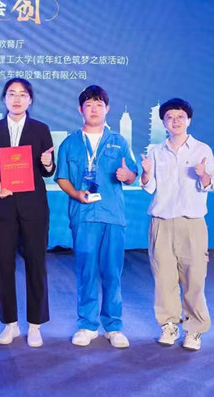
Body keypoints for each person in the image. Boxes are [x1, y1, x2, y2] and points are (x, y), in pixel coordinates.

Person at [55, 85, 137, 348]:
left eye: (99, 104)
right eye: (89, 105)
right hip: (83, 214)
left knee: (112, 272)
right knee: (86, 271)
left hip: (112, 216)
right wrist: (76, 193)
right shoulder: (70, 143)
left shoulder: (119, 142)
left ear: (107, 109)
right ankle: (87, 325)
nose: (94, 109)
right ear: (80, 109)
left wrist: (128, 175)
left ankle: (114, 326)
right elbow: (62, 177)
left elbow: (132, 174)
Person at [0, 78, 55, 347]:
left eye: (23, 94)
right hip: (2, 205)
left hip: (34, 207)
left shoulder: (40, 129)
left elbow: (48, 170)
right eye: (12, 94)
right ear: (4, 99)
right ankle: (10, 323)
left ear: (30, 100)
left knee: (36, 264)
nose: (17, 99)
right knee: (4, 265)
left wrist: (48, 163)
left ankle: (35, 325)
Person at [140, 98, 214, 351]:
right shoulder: (155, 150)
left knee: (194, 279)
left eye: (180, 116)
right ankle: (168, 325)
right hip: (161, 222)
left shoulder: (202, 149)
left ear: (189, 120)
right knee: (164, 279)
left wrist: (203, 174)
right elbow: (149, 187)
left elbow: (210, 184)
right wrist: (146, 173)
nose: (175, 121)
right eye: (170, 117)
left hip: (192, 223)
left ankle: (194, 329)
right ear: (163, 122)